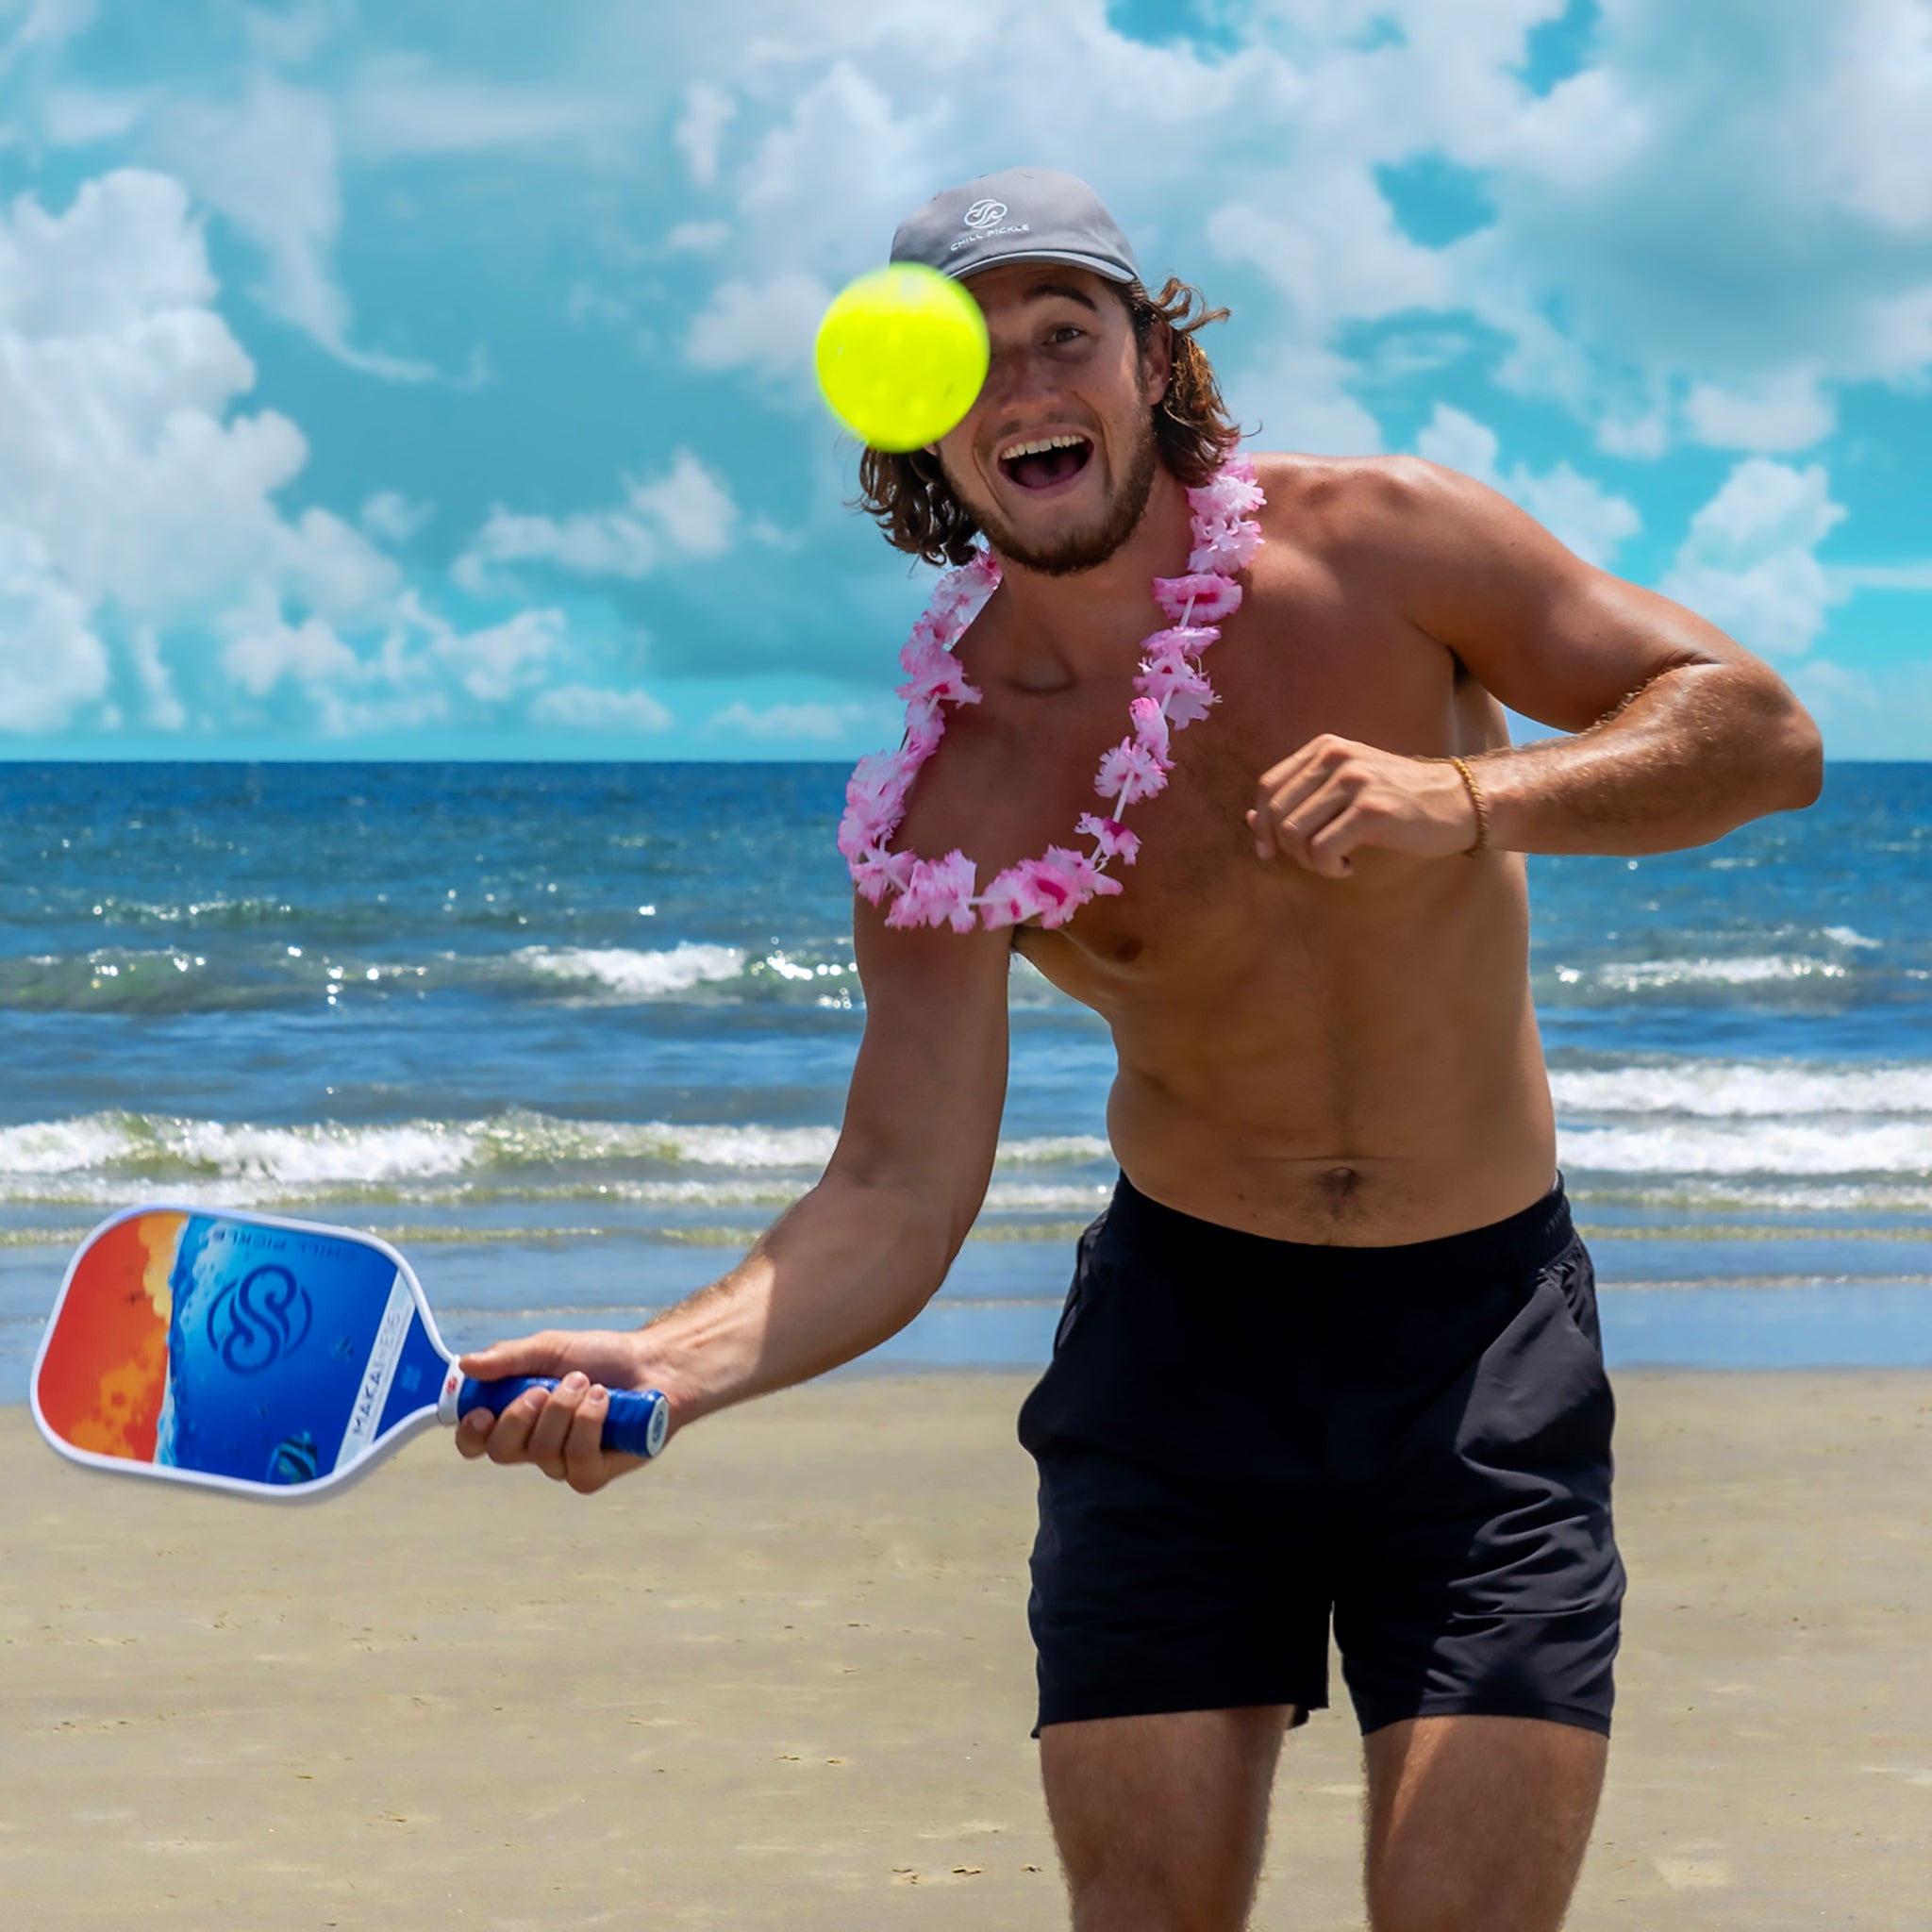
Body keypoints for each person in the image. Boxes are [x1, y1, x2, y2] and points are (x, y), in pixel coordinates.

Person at [454, 167, 1823, 1932]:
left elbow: (1756, 732)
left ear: (1150, 358)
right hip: (1185, 1365)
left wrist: (1467, 796)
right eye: (969, 359)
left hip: (1481, 1345)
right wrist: (668, 1364)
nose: (1025, 384)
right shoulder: (950, 796)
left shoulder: (1387, 548)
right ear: (912, 425)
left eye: (1065, 334)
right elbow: (892, 1185)